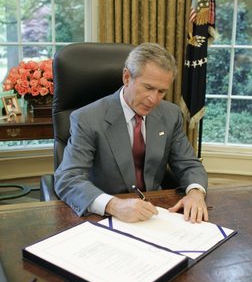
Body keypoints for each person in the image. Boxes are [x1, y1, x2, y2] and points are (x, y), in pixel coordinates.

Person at [54, 43, 208, 223]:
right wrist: (114, 205)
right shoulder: (87, 118)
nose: (154, 99)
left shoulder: (170, 114)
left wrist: (196, 192)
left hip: (155, 213)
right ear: (127, 77)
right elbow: (68, 179)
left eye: (161, 91)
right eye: (148, 88)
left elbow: (189, 164)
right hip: (105, 214)